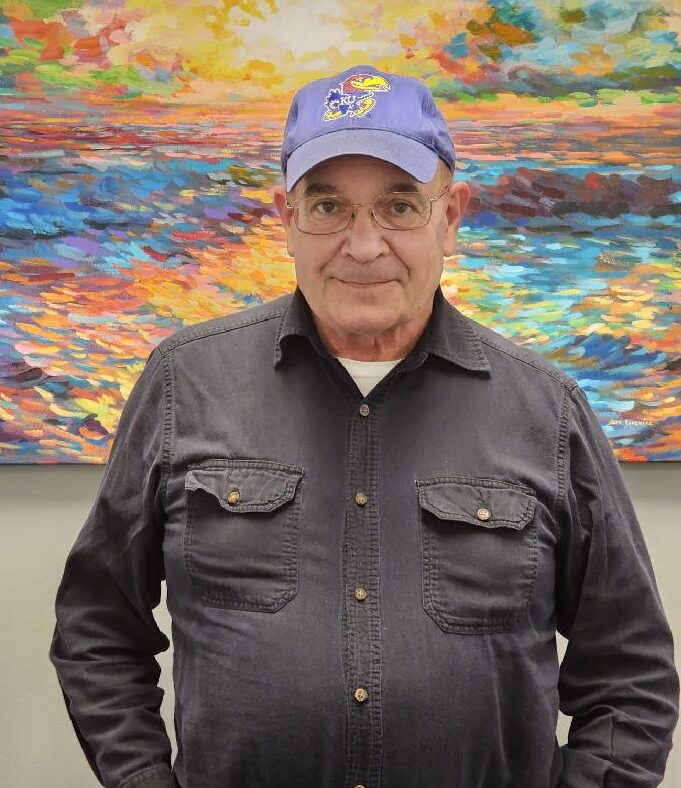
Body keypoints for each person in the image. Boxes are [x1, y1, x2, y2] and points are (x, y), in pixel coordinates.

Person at [50, 64, 678, 788]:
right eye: (328, 208)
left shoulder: (548, 408)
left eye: (399, 207)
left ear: (450, 217)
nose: (363, 245)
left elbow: (628, 672)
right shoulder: (183, 382)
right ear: (286, 217)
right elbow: (96, 626)